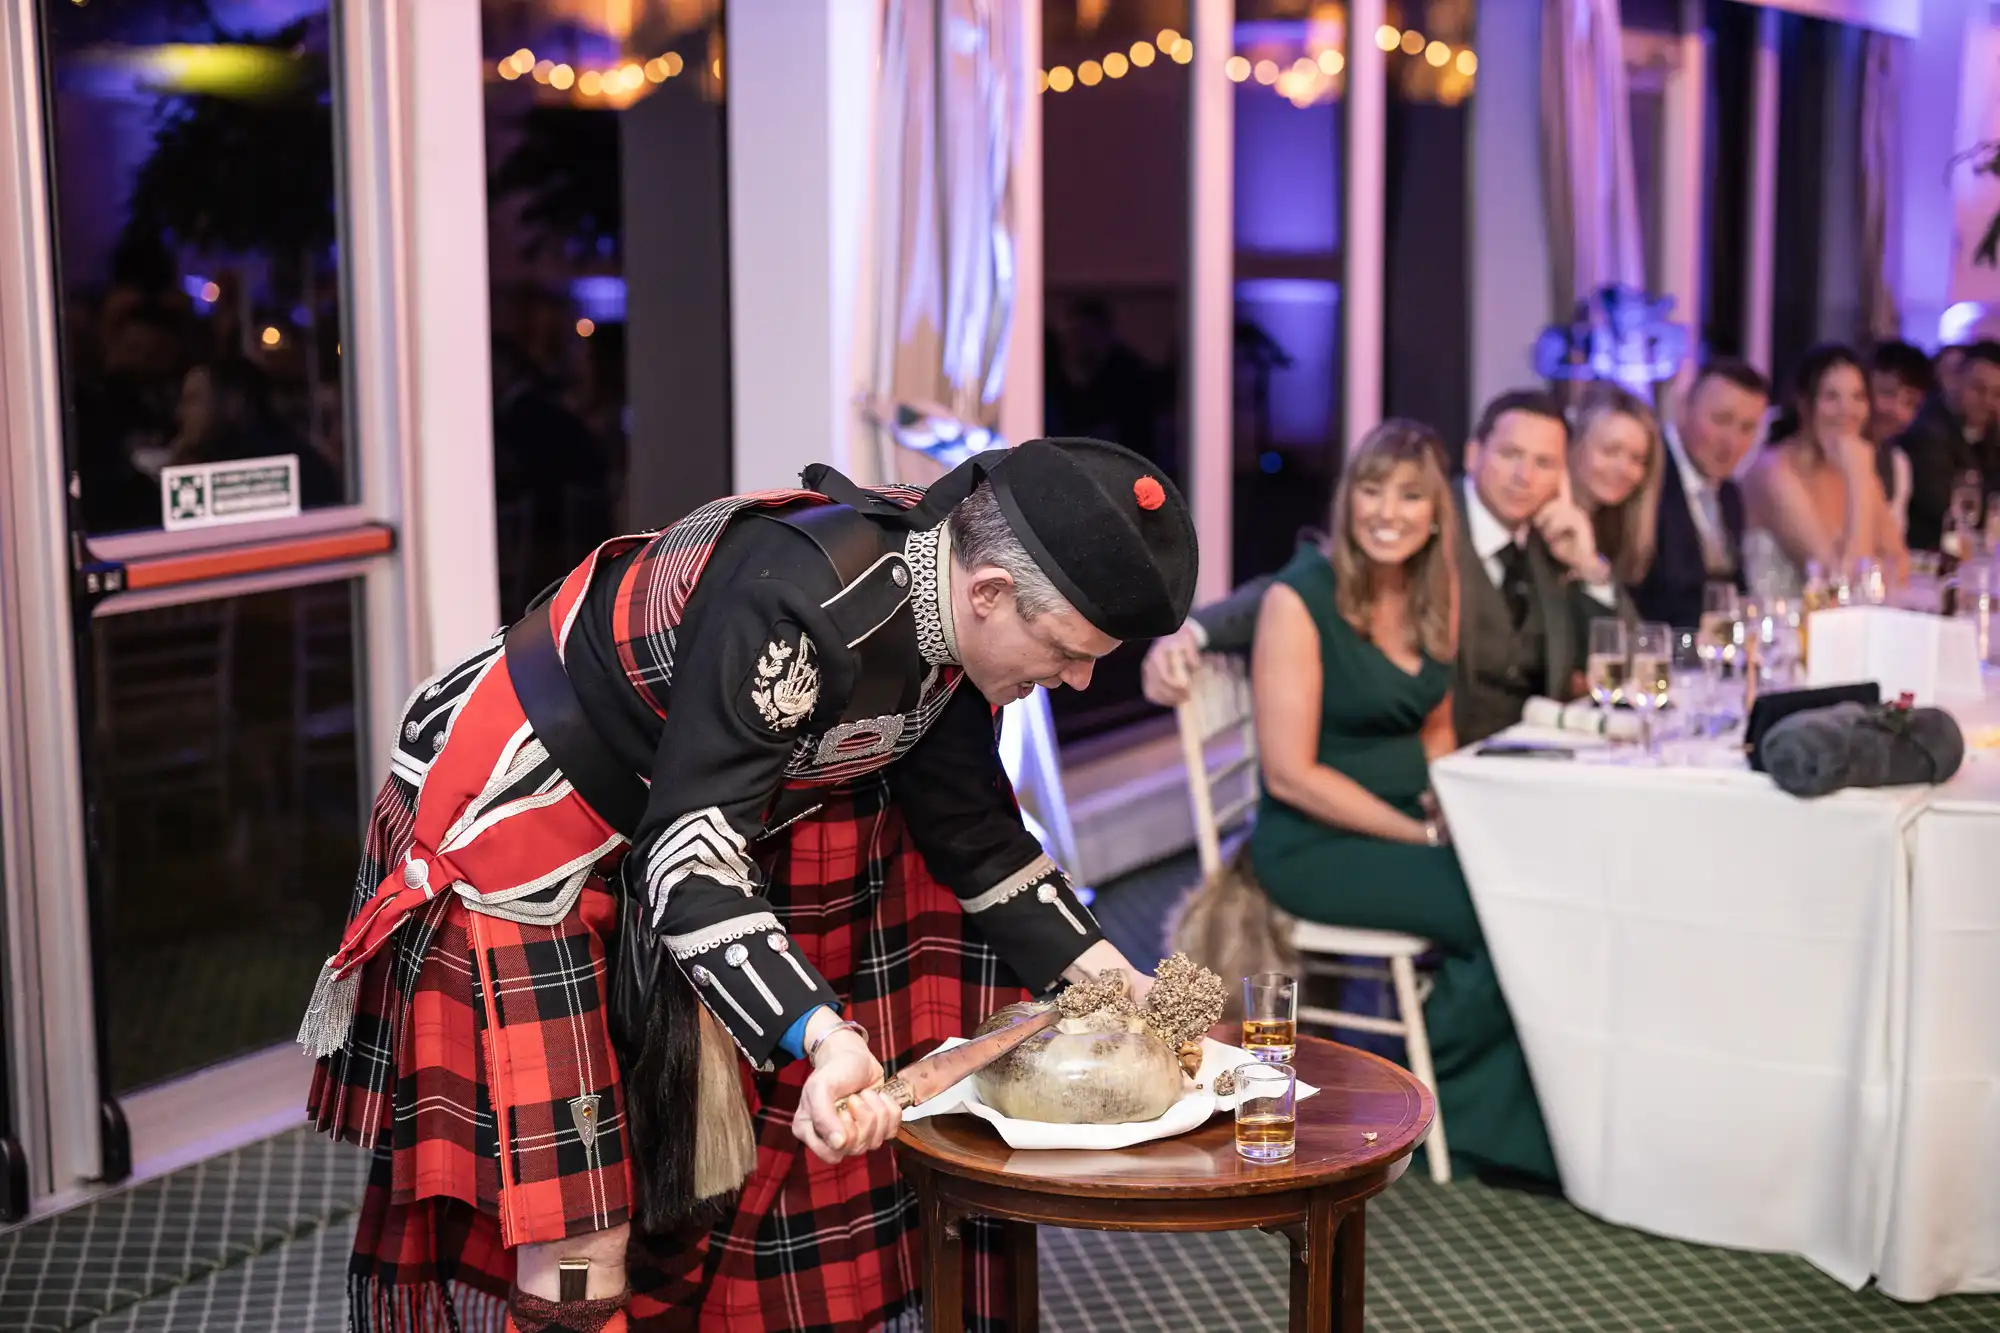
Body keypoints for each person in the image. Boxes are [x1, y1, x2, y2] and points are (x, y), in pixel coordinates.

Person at [301, 439, 1193, 1332]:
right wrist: (826, 1032)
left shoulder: (951, 603)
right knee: (579, 1224)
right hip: (518, 832)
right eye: (1069, 651)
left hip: (673, 820)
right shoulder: (793, 603)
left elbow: (976, 835)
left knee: (668, 1177)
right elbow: (689, 858)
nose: (1076, 681)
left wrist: (1123, 991)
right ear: (990, 592)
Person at [1246, 418, 1557, 1187]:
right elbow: (1290, 775)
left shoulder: (1433, 589)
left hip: (1407, 826)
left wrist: (1459, 814)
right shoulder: (1298, 599)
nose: (1389, 511)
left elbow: (1439, 728)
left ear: (1434, 512)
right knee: (1500, 907)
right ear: (1350, 499)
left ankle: (1477, 1102)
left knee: (1536, 882)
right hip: (1313, 841)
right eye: (1373, 490)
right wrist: (1421, 834)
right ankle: (1424, 1100)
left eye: (1411, 495)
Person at [1143, 390, 1628, 745]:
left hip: (1531, 760)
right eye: (1510, 455)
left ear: (1561, 475)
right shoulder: (1421, 523)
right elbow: (1307, 586)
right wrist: (1197, 631)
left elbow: (1624, 663)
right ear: (1475, 455)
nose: (1525, 476)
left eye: (1544, 463)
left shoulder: (1553, 545)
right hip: (1439, 768)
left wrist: (1590, 568)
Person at [1743, 344, 1907, 594]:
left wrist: (1859, 477)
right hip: (1781, 629)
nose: (1848, 411)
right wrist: (1858, 480)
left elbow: (1899, 561)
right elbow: (1840, 589)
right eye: (1832, 397)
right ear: (1804, 404)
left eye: (1858, 397)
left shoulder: (1858, 469)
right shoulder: (1774, 472)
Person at [1631, 359, 1769, 630]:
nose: (1732, 441)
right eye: (1721, 420)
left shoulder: (1729, 494)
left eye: (1747, 428)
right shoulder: (1643, 473)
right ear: (1683, 409)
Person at [1900, 340, 2000, 551]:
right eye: (1979, 389)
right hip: (1927, 559)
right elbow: (1946, 509)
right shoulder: (1928, 432)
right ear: (1956, 381)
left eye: (1997, 394)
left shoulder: (1991, 437)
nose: (1988, 401)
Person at [1568, 382, 1664, 586]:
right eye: (1610, 451)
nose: (1624, 469)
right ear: (1574, 445)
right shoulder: (1548, 528)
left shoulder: (1614, 532)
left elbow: (1622, 616)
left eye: (1637, 459)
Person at [1866, 340, 1930, 537]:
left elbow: (1894, 543)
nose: (1898, 412)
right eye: (1887, 393)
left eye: (1911, 403)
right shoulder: (1825, 455)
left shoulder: (1898, 463)